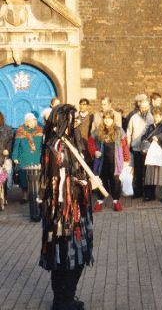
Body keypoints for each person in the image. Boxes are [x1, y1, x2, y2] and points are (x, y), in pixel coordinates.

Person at [39, 104, 97, 310]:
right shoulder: (56, 148)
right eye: (72, 120)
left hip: (74, 211)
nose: (75, 124)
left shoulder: (70, 144)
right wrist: (87, 184)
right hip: (64, 216)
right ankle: (63, 300)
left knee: (67, 258)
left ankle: (64, 298)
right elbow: (61, 184)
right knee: (66, 258)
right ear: (63, 121)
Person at [89, 110, 130, 212]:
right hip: (102, 162)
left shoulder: (119, 131)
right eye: (105, 118)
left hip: (115, 162)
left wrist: (126, 159)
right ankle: (99, 202)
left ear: (113, 119)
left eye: (109, 118)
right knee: (101, 182)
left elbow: (125, 145)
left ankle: (116, 201)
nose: (107, 121)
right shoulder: (98, 130)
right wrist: (94, 151)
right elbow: (90, 141)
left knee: (115, 182)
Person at [142, 106, 162, 203]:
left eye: (158, 116)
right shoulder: (151, 126)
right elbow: (145, 136)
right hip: (153, 154)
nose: (156, 118)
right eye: (155, 116)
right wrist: (144, 141)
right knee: (152, 174)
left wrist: (158, 137)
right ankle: (151, 195)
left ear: (161, 116)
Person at [12, 113, 43, 203]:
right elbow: (16, 145)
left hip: (36, 157)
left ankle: (36, 194)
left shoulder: (40, 130)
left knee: (36, 176)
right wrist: (15, 157)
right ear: (26, 122)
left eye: (34, 121)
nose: (34, 122)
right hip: (24, 158)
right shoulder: (20, 131)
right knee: (23, 177)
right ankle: (24, 196)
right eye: (32, 121)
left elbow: (42, 144)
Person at [127, 99, 154, 198]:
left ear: (149, 107)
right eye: (142, 107)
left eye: (146, 107)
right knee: (137, 172)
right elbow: (129, 132)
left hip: (147, 149)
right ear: (139, 107)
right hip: (136, 148)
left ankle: (147, 192)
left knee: (147, 172)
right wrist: (128, 145)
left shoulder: (151, 117)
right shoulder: (133, 118)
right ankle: (138, 191)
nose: (144, 109)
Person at [0, 111, 13, 208]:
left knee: (3, 180)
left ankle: (4, 197)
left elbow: (10, 141)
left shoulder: (7, 129)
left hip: (3, 158)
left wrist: (7, 150)